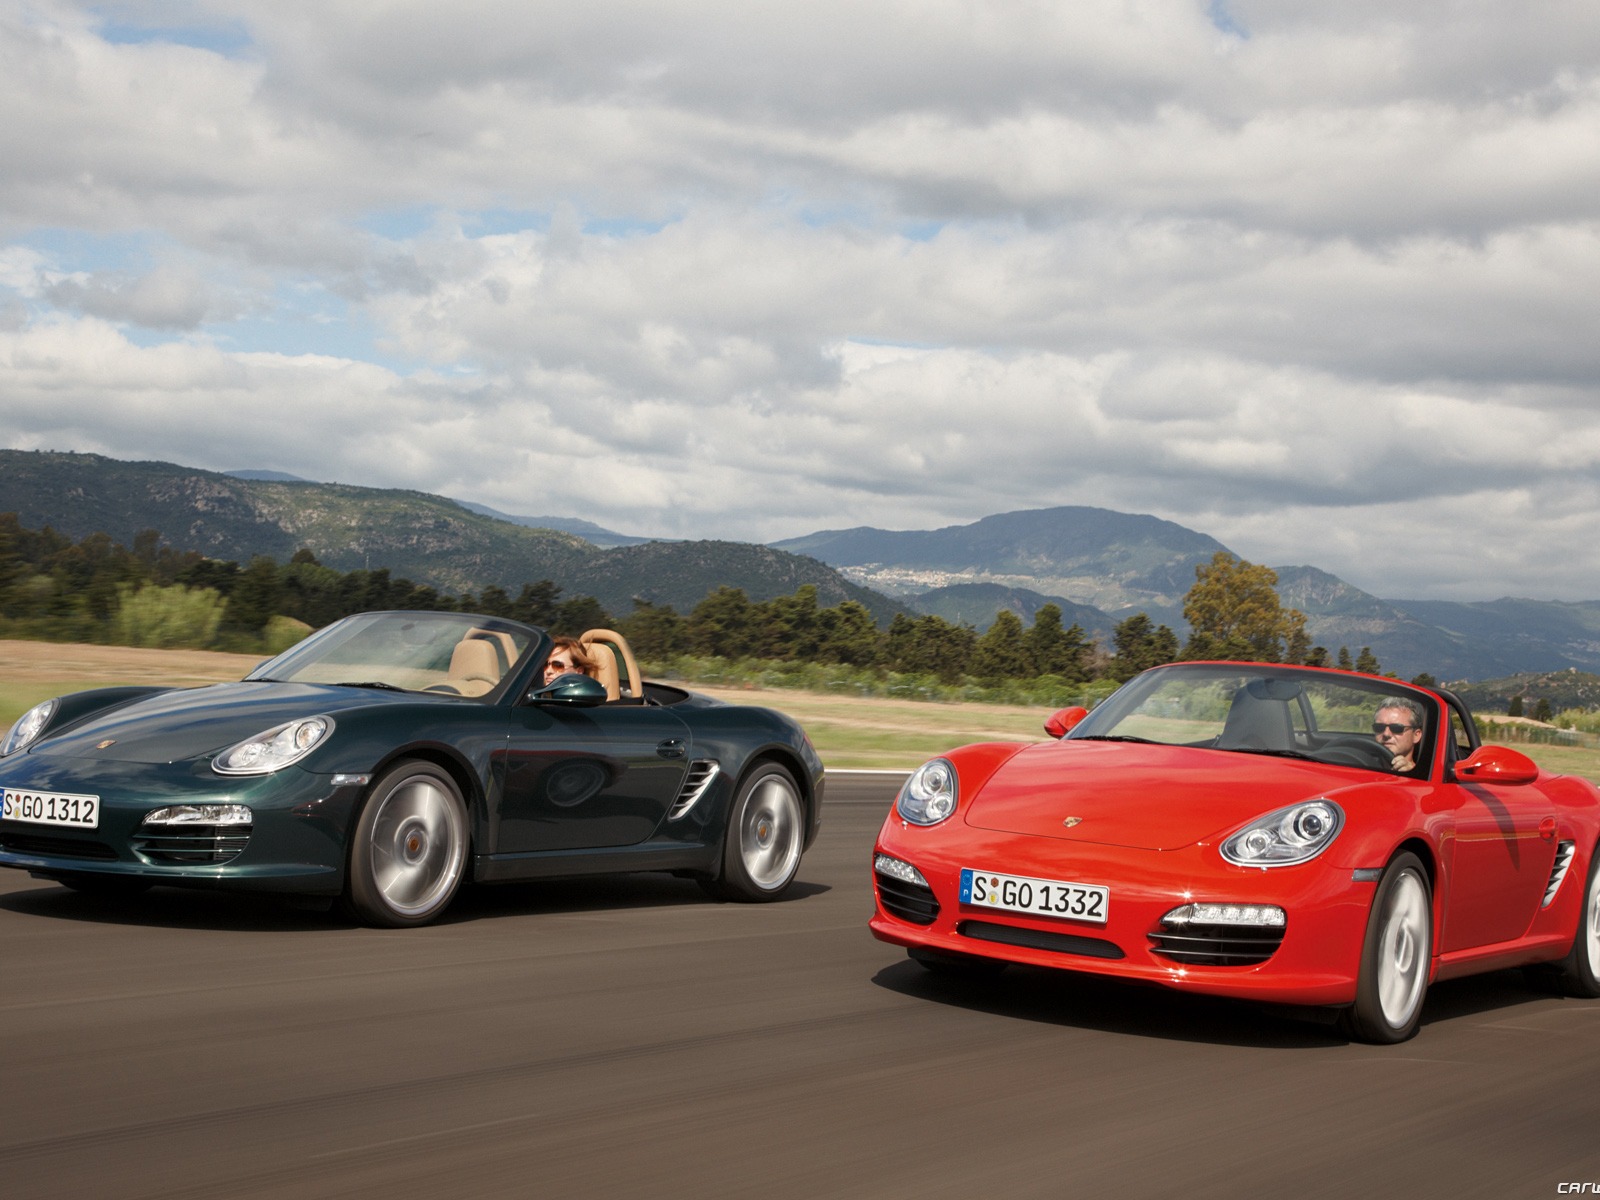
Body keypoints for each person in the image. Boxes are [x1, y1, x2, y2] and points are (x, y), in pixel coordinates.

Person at [1373, 696, 1426, 772]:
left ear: (1416, 735)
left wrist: (1412, 773)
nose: (1386, 734)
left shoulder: (1423, 776)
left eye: (1396, 728)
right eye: (1379, 727)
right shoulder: (1362, 762)